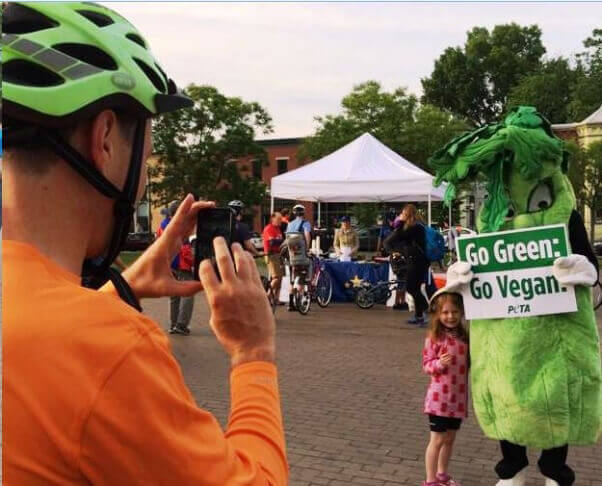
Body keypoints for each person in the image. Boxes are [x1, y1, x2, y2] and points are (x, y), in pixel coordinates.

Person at [2, 3, 288, 485]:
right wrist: (252, 353)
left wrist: (122, 291)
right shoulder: (107, 348)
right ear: (106, 137)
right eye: (148, 150)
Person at [422, 290, 468, 486]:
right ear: (438, 314)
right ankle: (431, 481)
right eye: (446, 312)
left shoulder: (465, 338)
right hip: (439, 401)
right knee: (437, 440)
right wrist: (439, 364)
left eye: (455, 312)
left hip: (457, 399)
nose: (451, 316)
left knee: (449, 439)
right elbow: (426, 365)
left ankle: (442, 474)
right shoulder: (434, 338)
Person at [384, 204, 429, 325]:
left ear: (407, 214)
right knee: (415, 288)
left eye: (402, 213)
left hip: (415, 261)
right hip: (420, 261)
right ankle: (419, 316)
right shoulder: (419, 226)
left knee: (411, 287)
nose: (400, 216)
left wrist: (398, 223)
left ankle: (427, 309)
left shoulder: (410, 228)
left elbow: (390, 240)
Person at [285, 204, 313, 311]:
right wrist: (307, 248)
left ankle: (291, 303)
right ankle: (301, 303)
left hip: (291, 256)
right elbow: (307, 235)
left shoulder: (290, 224)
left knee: (292, 280)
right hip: (301, 256)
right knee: (303, 276)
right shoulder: (305, 223)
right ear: (303, 213)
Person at [168, 236, 195, 335]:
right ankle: (181, 325)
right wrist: (194, 261)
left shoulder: (164, 225)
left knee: (174, 296)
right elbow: (185, 250)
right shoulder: (182, 228)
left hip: (171, 265)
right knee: (187, 295)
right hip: (182, 266)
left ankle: (173, 324)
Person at [262, 212, 285, 304]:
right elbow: (272, 242)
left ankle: (276, 298)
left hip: (278, 255)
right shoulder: (269, 228)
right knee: (275, 277)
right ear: (273, 219)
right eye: (278, 219)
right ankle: (267, 296)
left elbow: (280, 240)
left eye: (281, 219)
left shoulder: (278, 229)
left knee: (280, 278)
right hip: (271, 255)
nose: (280, 221)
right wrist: (281, 241)